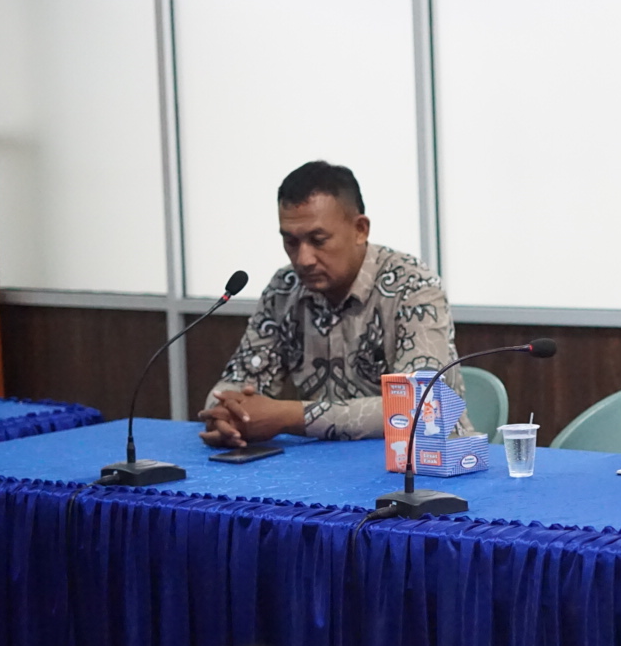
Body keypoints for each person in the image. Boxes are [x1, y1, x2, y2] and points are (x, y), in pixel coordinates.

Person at [199, 161, 467, 446]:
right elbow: (235, 384)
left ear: (360, 229)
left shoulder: (412, 285)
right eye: (291, 242)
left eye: (318, 240)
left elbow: (422, 405)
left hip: (426, 461)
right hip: (324, 461)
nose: (303, 259)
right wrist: (225, 415)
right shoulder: (284, 288)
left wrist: (290, 416)